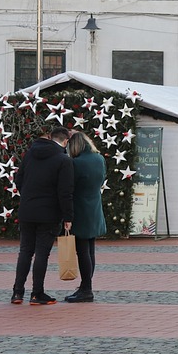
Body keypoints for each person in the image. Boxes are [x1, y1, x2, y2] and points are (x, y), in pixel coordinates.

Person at [11, 124, 74, 306]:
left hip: (27, 209)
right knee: (41, 254)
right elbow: (65, 192)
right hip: (49, 213)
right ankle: (37, 293)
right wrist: (68, 217)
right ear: (66, 141)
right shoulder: (63, 160)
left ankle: (17, 292)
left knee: (25, 251)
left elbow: (19, 179)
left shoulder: (31, 153)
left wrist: (28, 197)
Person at [65, 129, 107, 303]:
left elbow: (69, 187)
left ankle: (86, 289)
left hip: (80, 208)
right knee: (90, 249)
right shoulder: (99, 158)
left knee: (82, 250)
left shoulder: (75, 163)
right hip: (95, 206)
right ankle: (85, 285)